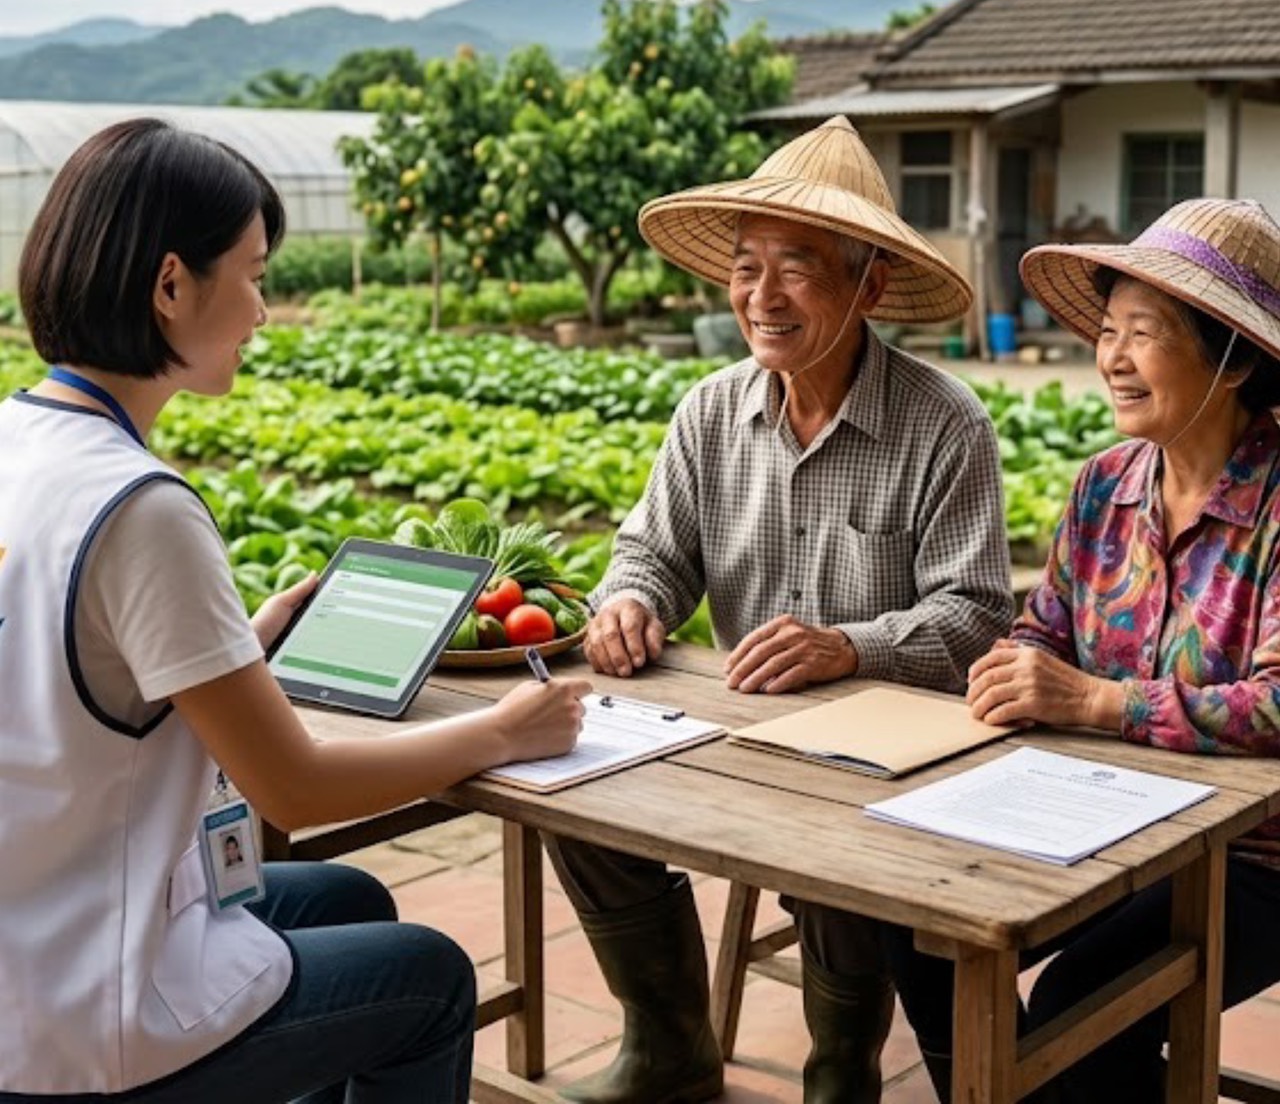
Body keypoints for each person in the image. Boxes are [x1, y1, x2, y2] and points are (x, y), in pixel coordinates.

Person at [0, 118, 591, 1103]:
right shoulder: (142, 506)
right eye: (255, 275)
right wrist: (504, 731)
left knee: (346, 897)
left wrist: (239, 641)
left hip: (29, 924)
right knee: (431, 979)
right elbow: (296, 789)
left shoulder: (19, 441)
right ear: (171, 284)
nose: (264, 311)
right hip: (79, 1012)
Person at [546, 116, 1014, 1104]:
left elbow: (975, 612)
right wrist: (629, 601)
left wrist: (850, 646)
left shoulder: (944, 423)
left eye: (795, 269)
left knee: (838, 837)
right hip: (734, 727)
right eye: (746, 267)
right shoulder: (709, 410)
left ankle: (841, 1068)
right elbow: (650, 553)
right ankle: (668, 1045)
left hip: (885, 752)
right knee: (566, 786)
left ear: (868, 286)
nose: (762, 296)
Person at [884, 196, 1280, 1103]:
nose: (1112, 358)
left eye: (1145, 333)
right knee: (911, 918)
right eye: (1108, 330)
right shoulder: (1104, 485)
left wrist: (1099, 701)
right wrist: (1015, 673)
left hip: (1253, 859)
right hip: (1105, 816)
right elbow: (1044, 632)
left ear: (1234, 358)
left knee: (1080, 1001)